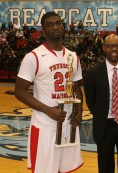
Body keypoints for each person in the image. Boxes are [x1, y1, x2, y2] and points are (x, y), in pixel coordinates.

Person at [15, 11, 83, 173]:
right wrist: (48, 110)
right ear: (43, 30)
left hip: (68, 124)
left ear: (63, 26)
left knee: (65, 170)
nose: (55, 27)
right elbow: (19, 91)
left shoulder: (73, 56)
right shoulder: (34, 57)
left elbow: (77, 88)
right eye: (50, 25)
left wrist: (79, 111)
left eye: (58, 23)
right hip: (45, 124)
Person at [84, 34, 118, 173]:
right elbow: (91, 101)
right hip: (104, 126)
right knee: (105, 167)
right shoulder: (92, 74)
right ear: (104, 48)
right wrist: (102, 114)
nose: (113, 49)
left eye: (117, 46)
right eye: (110, 46)